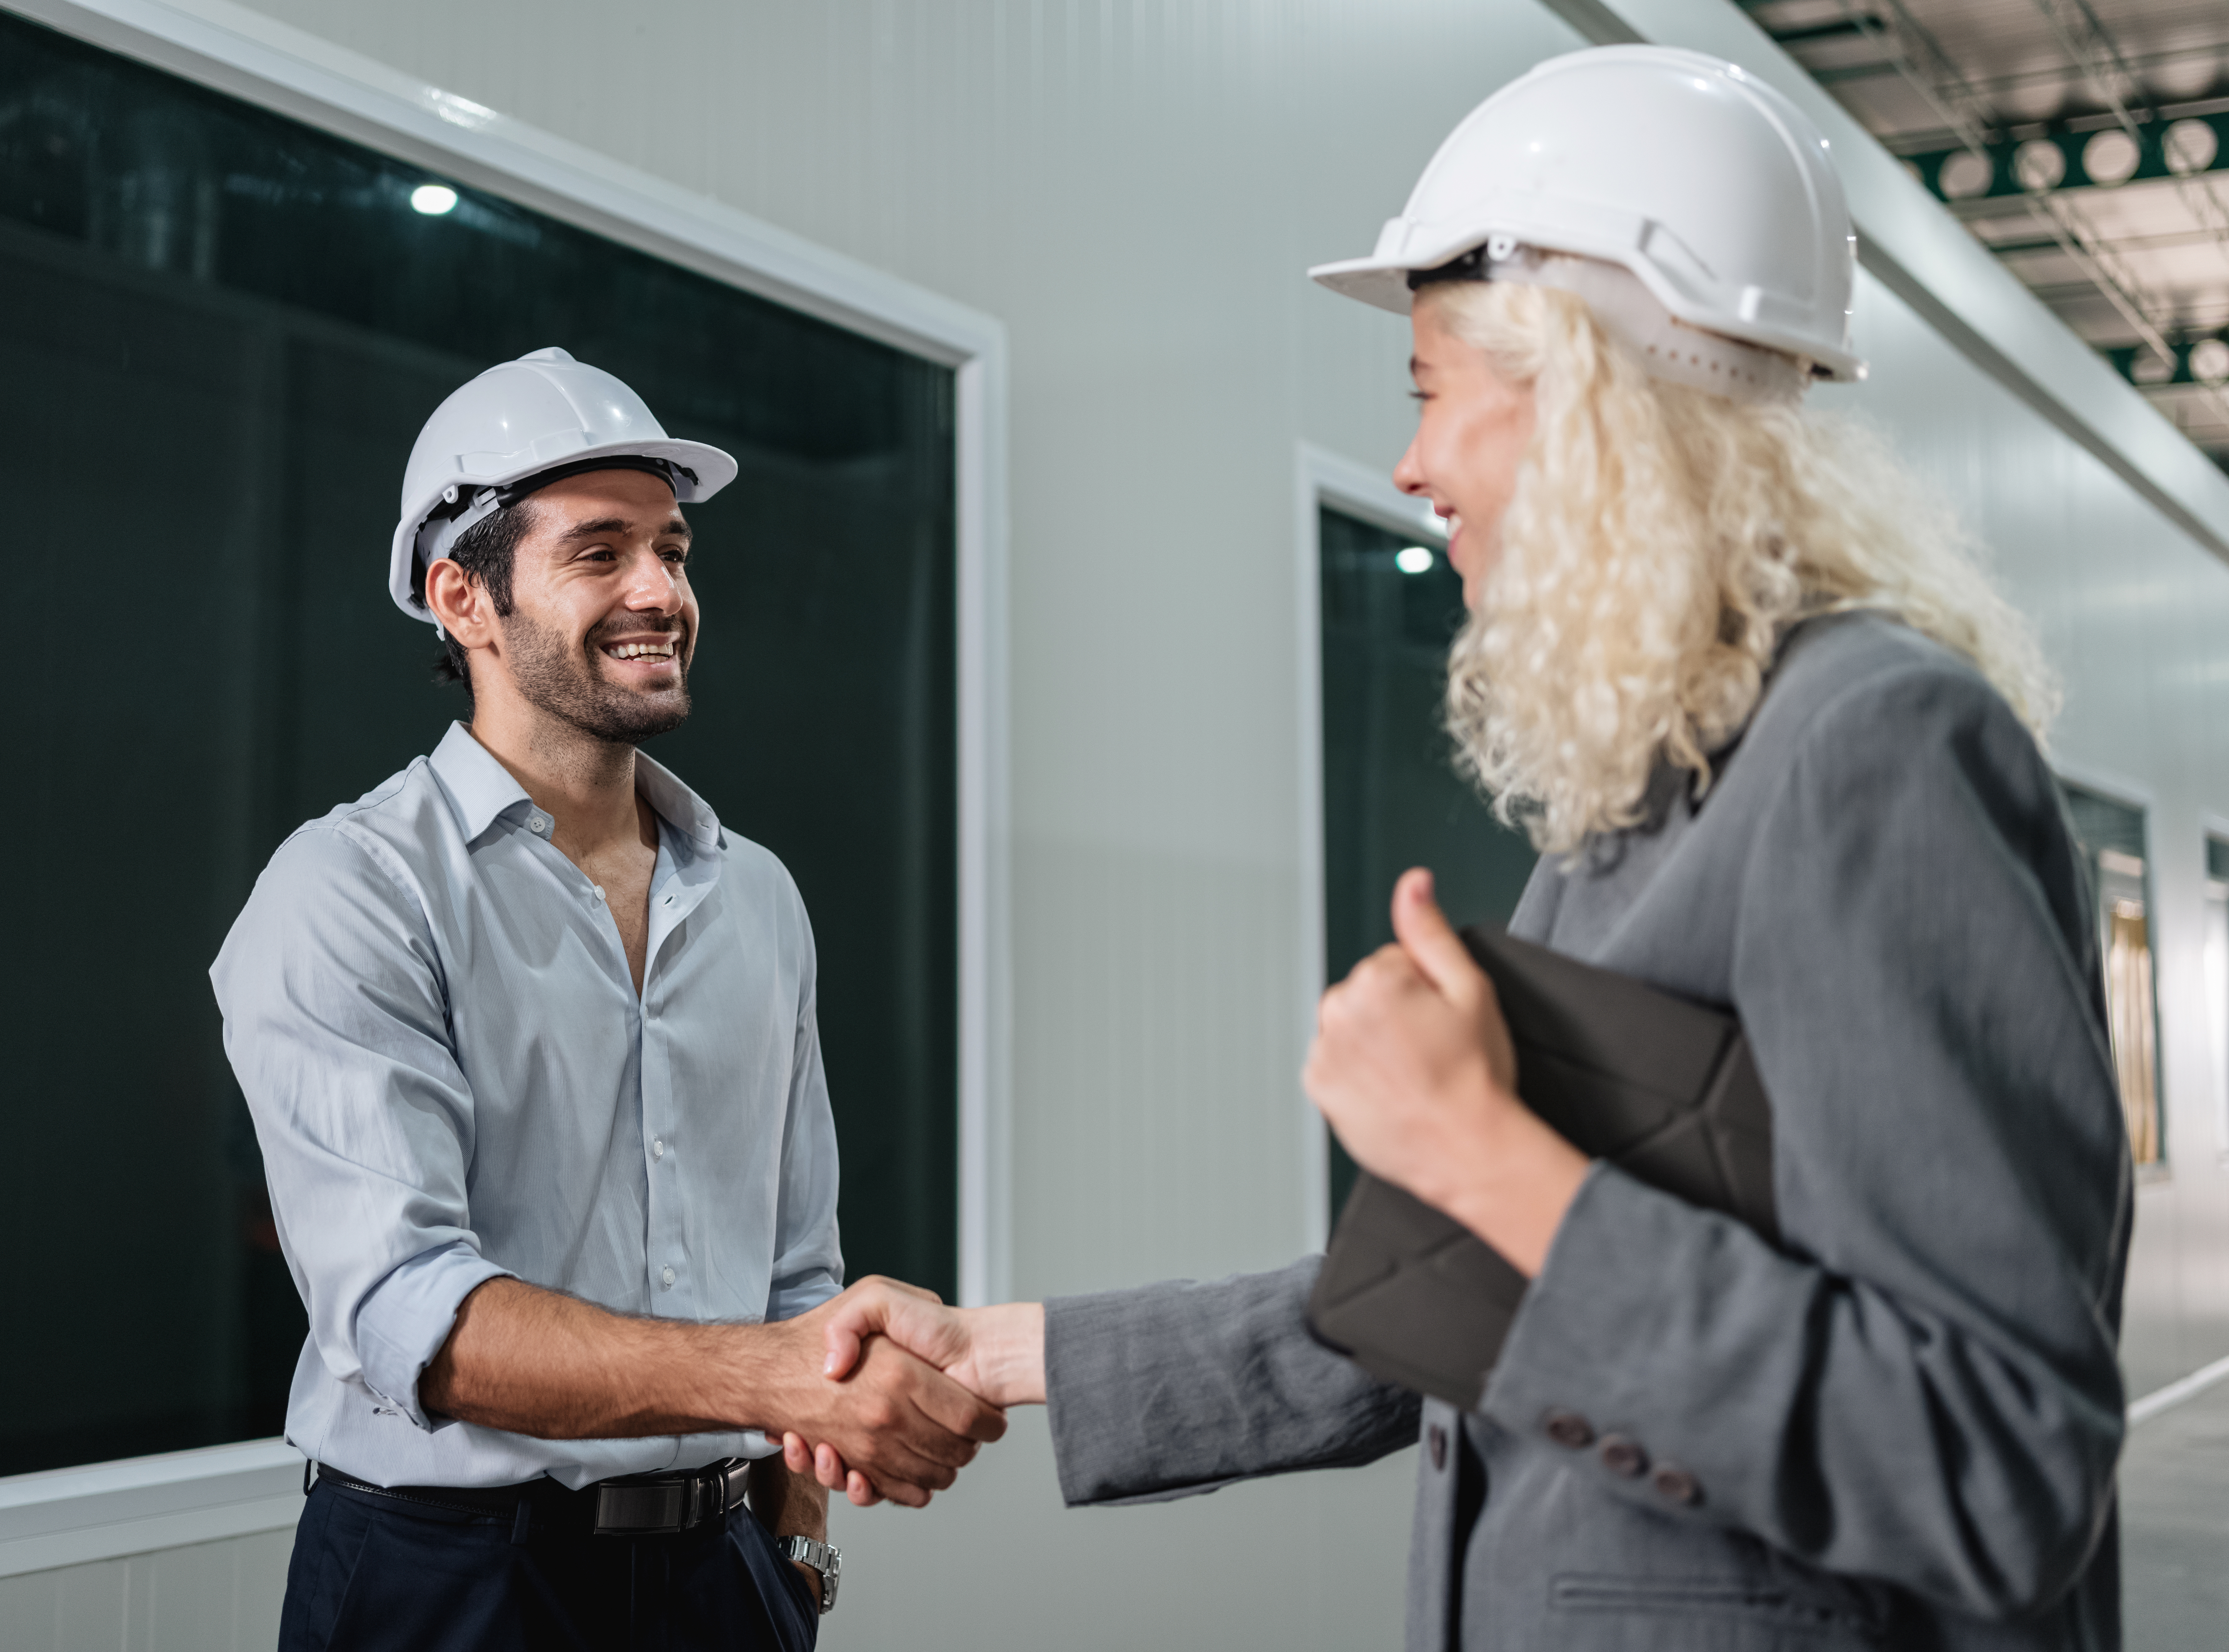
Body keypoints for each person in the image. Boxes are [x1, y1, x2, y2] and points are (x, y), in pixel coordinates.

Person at [786, 47, 2131, 1652]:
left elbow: (1995, 1463)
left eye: (1428, 394)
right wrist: (1003, 1353)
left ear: (1579, 386)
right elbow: (1471, 1298)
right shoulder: (1665, 773)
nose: (1413, 467)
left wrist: (1481, 1153)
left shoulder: (1872, 750)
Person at [211, 348, 1003, 1652]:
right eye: (600, 554)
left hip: (725, 1570)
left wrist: (794, 1549)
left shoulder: (756, 897)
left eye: (674, 550)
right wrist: (772, 1376)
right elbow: (423, 1325)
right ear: (462, 597)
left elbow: (796, 1268)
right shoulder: (350, 890)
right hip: (450, 1585)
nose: (662, 592)